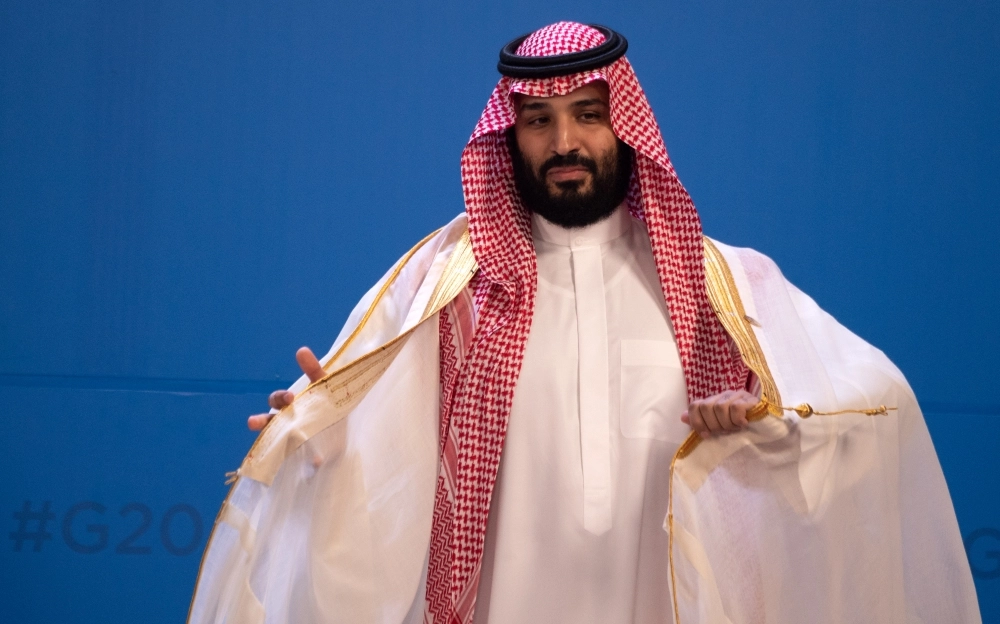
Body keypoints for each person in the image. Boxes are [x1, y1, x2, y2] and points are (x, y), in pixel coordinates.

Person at [189, 22, 980, 624]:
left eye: (588, 115)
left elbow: (866, 412)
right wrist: (320, 433)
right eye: (538, 120)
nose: (564, 142)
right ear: (510, 134)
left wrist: (766, 426)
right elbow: (367, 434)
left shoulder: (726, 284)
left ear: (624, 126)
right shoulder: (443, 283)